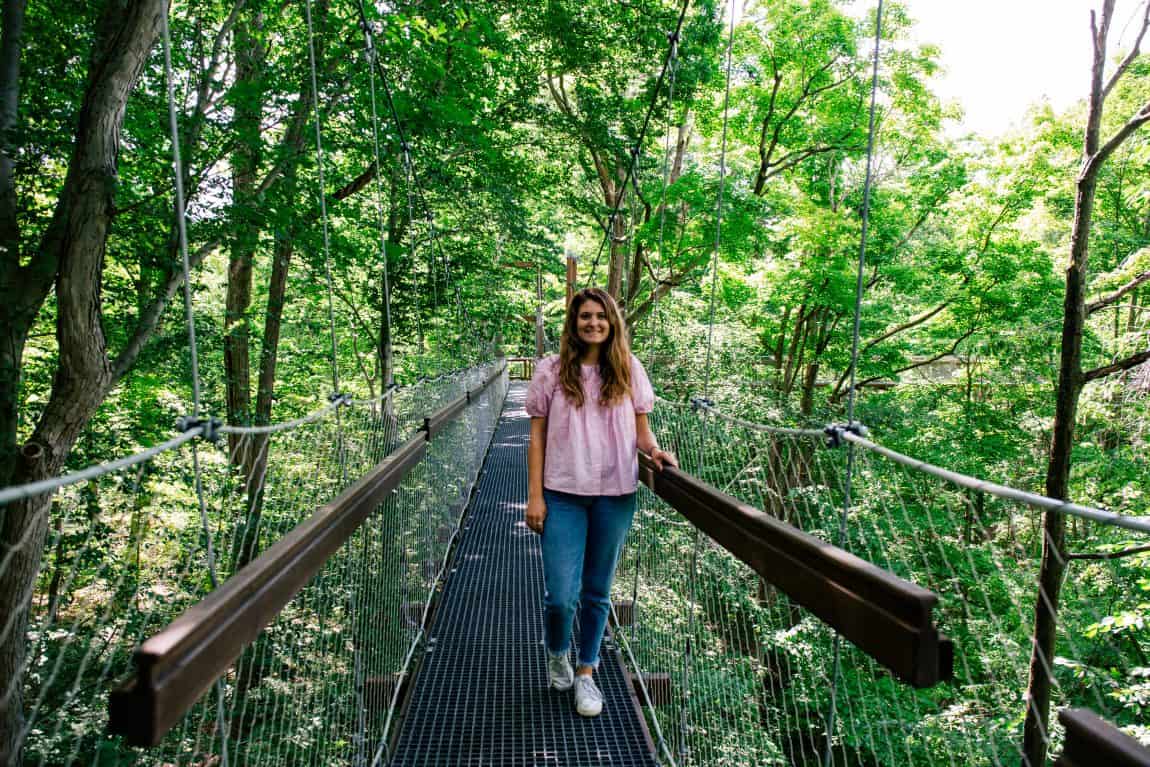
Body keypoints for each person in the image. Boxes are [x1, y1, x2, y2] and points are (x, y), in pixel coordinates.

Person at [524, 287, 677, 718]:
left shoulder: (628, 369)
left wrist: (655, 452)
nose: (593, 323)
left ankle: (586, 673)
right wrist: (534, 496)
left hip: (615, 494)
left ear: (612, 322)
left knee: (596, 592)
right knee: (561, 597)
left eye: (600, 316)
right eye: (584, 316)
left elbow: (642, 431)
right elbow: (535, 437)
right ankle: (558, 652)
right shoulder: (551, 370)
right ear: (574, 324)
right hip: (562, 493)